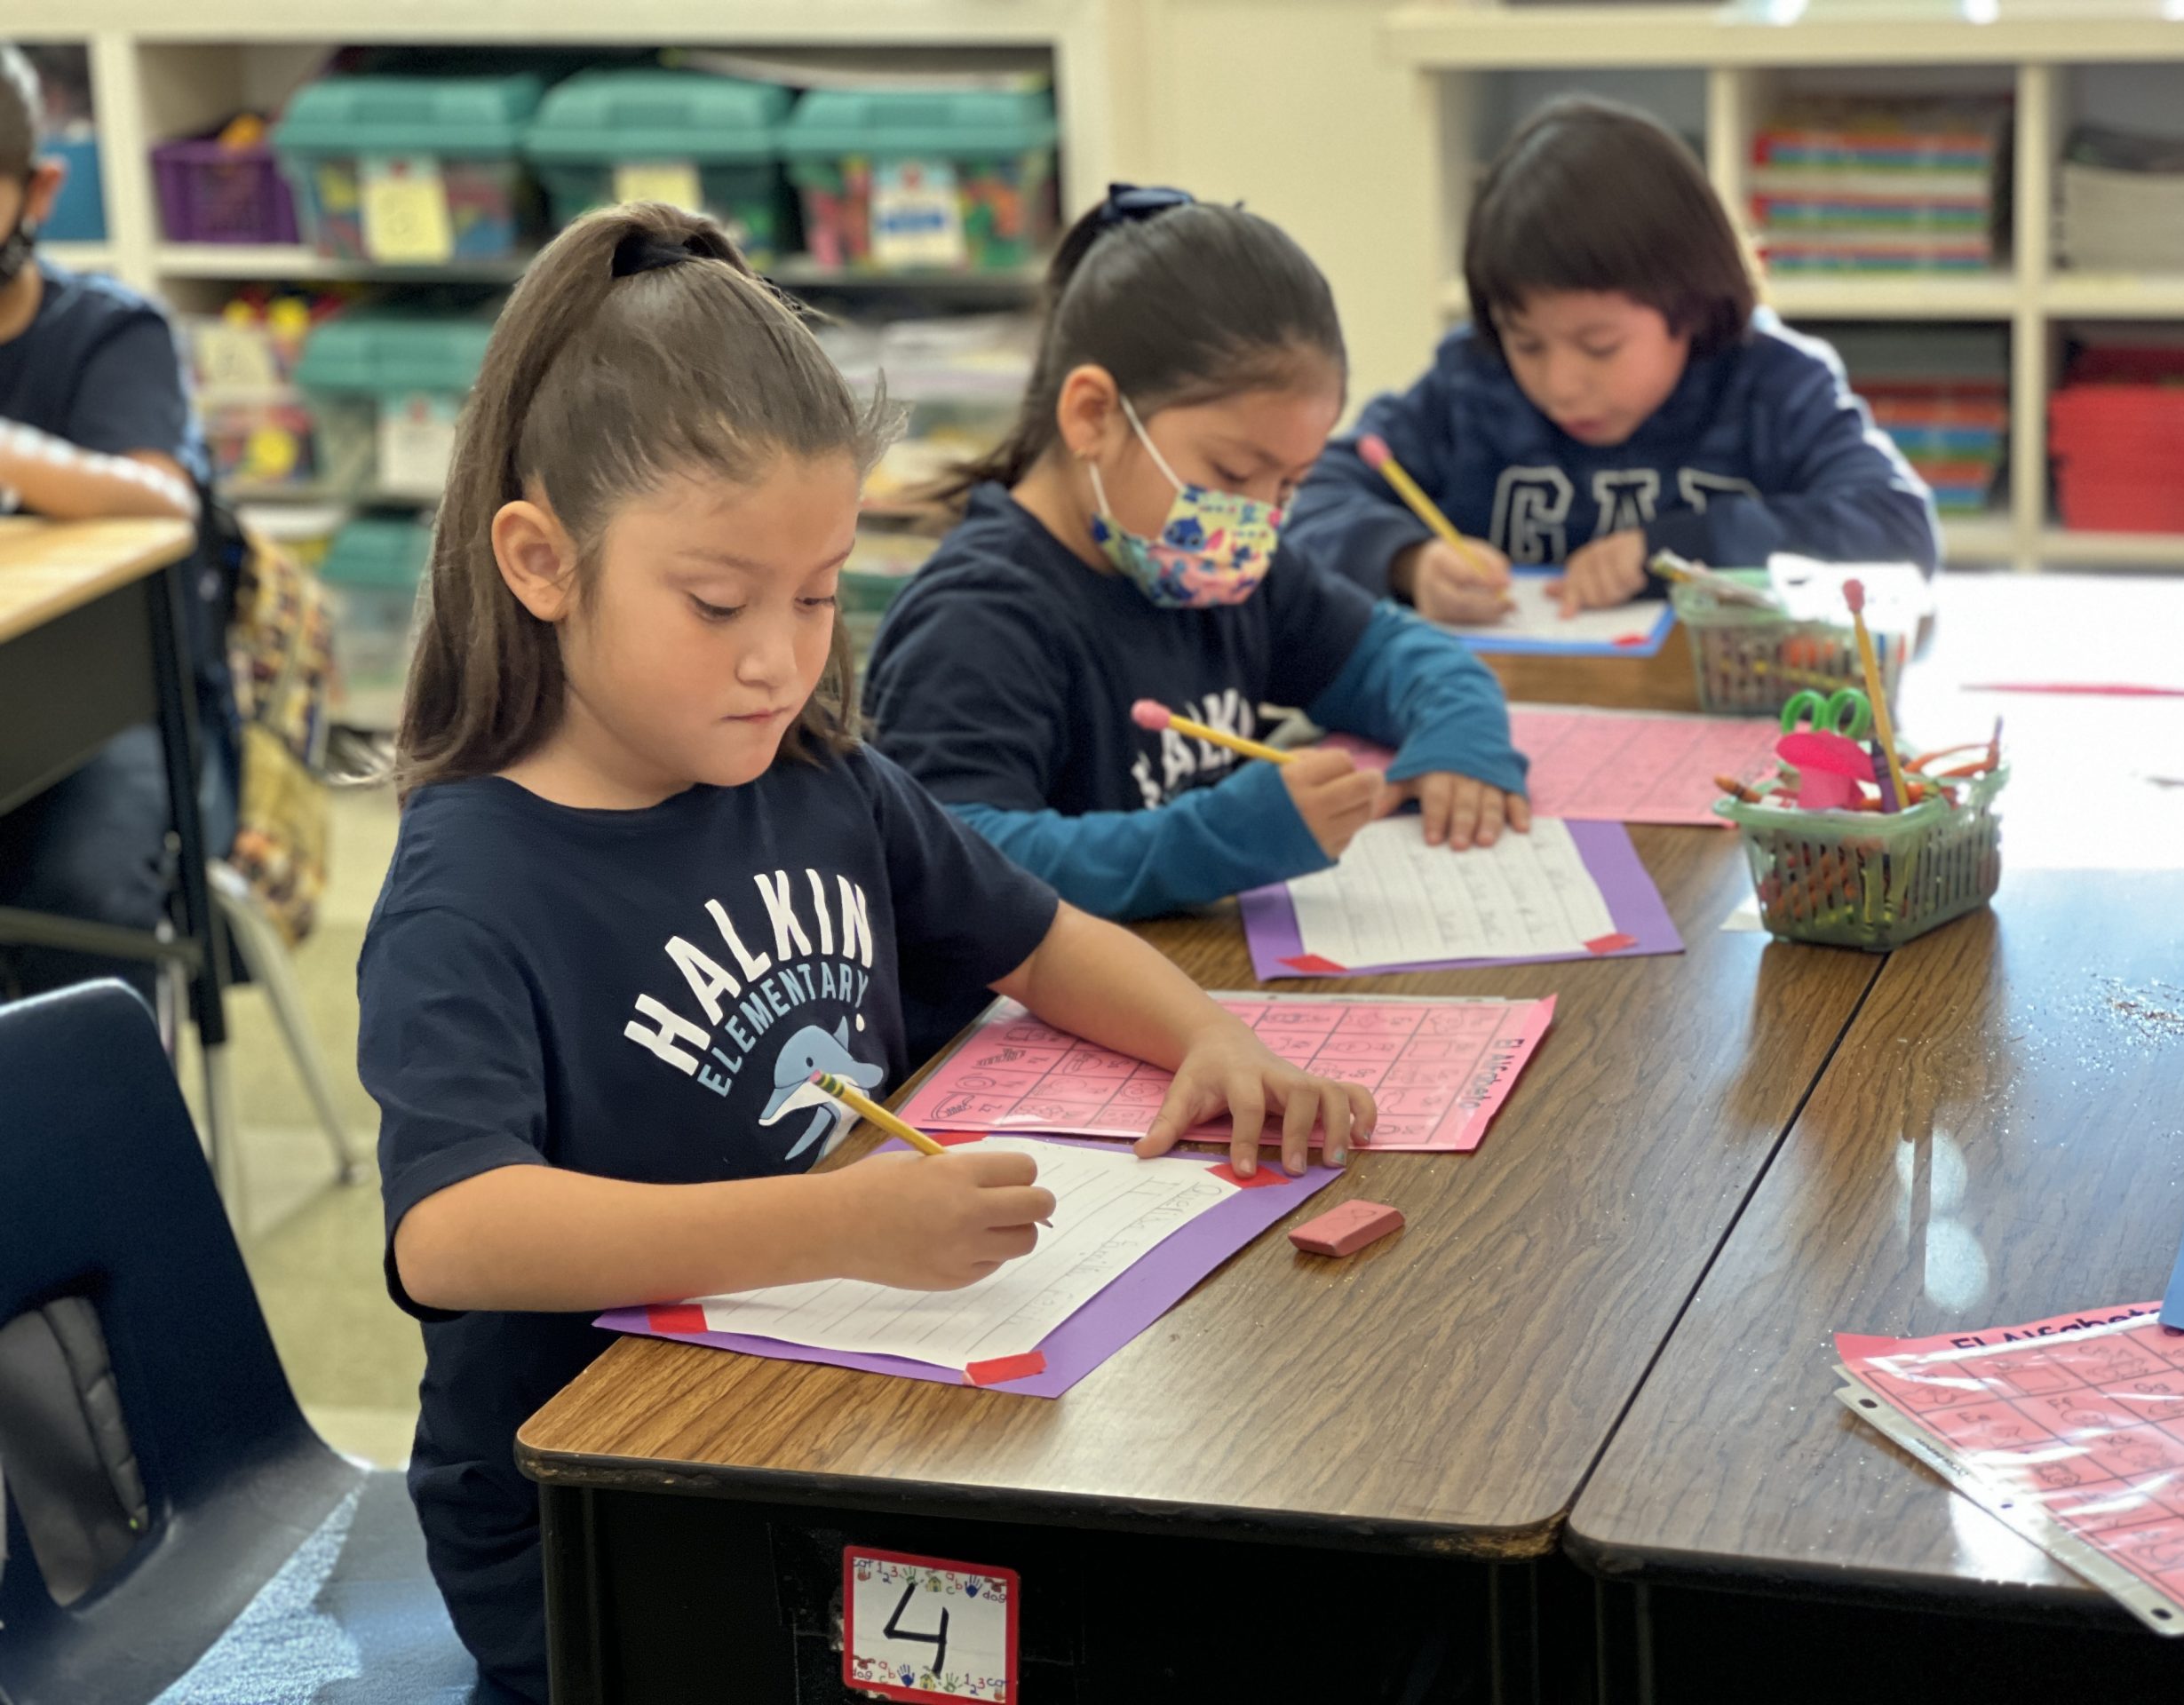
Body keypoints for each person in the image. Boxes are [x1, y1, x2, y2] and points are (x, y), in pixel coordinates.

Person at [360, 201, 1378, 1702]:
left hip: (826, 1413)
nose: (782, 657)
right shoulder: (472, 883)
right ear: (542, 560)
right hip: (601, 1521)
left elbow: (1042, 939)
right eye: (718, 601)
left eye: (821, 591)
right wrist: (833, 1227)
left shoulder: (821, 782)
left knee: (1249, 1582)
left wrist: (1210, 1038)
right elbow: (452, 1234)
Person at [862, 187, 1531, 1051]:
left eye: (1289, 486)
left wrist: (1460, 739)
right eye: (1233, 473)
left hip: (1204, 1003)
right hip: (1024, 1051)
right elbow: (968, 862)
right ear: (1093, 415)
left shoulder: (1229, 571)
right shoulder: (976, 621)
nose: (1258, 519)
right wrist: (1216, 841)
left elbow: (1402, 655)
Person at [1286, 96, 1940, 626]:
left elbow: (1898, 527)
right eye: (1526, 343)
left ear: (1689, 305)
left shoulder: (1772, 385)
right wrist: (1408, 560)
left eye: (1599, 346)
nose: (1560, 386)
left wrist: (1679, 550)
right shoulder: (1470, 385)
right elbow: (1313, 496)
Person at [0, 42, 223, 1008]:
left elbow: (164, 494)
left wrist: (15, 455)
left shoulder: (110, 332)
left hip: (114, 716)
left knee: (80, 898)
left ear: (39, 191)